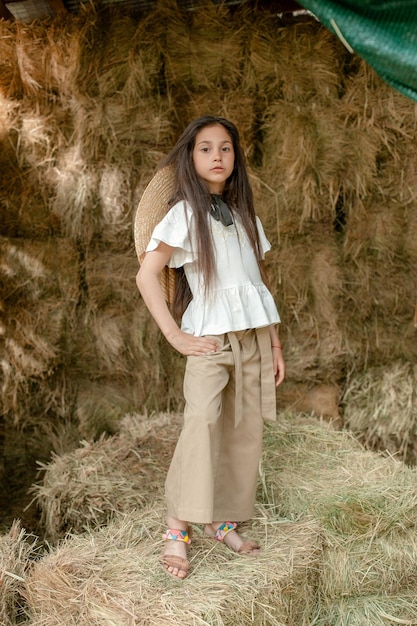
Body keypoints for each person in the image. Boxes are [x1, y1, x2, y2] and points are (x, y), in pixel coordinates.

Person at [135, 115, 285, 580]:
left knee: (242, 430)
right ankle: (177, 528)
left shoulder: (244, 216)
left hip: (253, 335)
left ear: (235, 157)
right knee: (201, 422)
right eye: (205, 148)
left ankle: (221, 520)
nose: (217, 156)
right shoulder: (183, 215)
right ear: (190, 157)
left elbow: (256, 281)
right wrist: (175, 335)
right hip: (211, 339)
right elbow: (145, 274)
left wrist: (274, 343)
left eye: (225, 148)